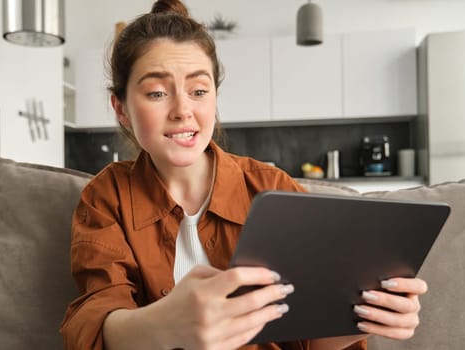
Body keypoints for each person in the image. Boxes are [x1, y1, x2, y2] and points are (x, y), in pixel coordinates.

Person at [60, 1, 427, 349]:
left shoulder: (273, 188)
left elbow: (309, 338)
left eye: (199, 90)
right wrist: (166, 324)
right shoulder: (105, 197)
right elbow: (92, 325)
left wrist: (365, 318)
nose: (183, 110)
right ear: (121, 108)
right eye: (156, 93)